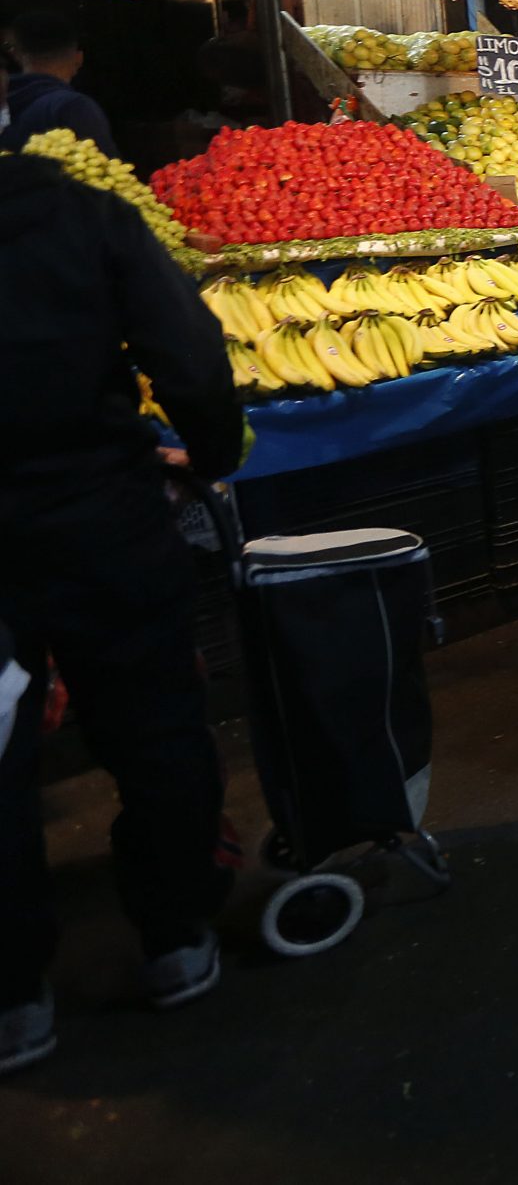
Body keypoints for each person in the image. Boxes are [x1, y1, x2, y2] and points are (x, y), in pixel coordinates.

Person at [2, 142, 245, 1072]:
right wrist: (212, 455)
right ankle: (177, 936)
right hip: (104, 512)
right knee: (153, 723)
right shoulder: (85, 214)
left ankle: (15, 996)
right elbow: (186, 349)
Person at [1, 11, 115, 155]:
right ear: (79, 59)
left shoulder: (5, 99)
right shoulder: (74, 107)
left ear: (16, 54)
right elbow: (106, 170)